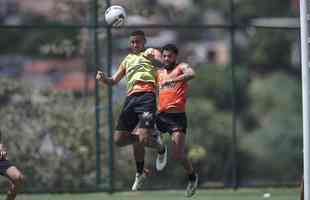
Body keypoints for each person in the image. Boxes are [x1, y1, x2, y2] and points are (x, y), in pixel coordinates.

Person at [96, 30, 167, 191]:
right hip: (130, 100)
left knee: (142, 140)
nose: (135, 44)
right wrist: (103, 79)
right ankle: (154, 142)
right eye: (133, 42)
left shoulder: (150, 52)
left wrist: (154, 60)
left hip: (147, 98)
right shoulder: (127, 59)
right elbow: (114, 80)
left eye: (138, 42)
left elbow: (163, 64)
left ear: (144, 42)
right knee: (119, 140)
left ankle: (156, 153)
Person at [155, 44, 198, 197]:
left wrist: (175, 80)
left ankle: (192, 178)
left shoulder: (181, 67)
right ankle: (161, 151)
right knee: (145, 134)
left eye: (170, 56)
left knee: (178, 155)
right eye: (164, 56)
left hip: (177, 118)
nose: (166, 58)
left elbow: (192, 73)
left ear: (175, 57)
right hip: (160, 116)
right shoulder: (158, 73)